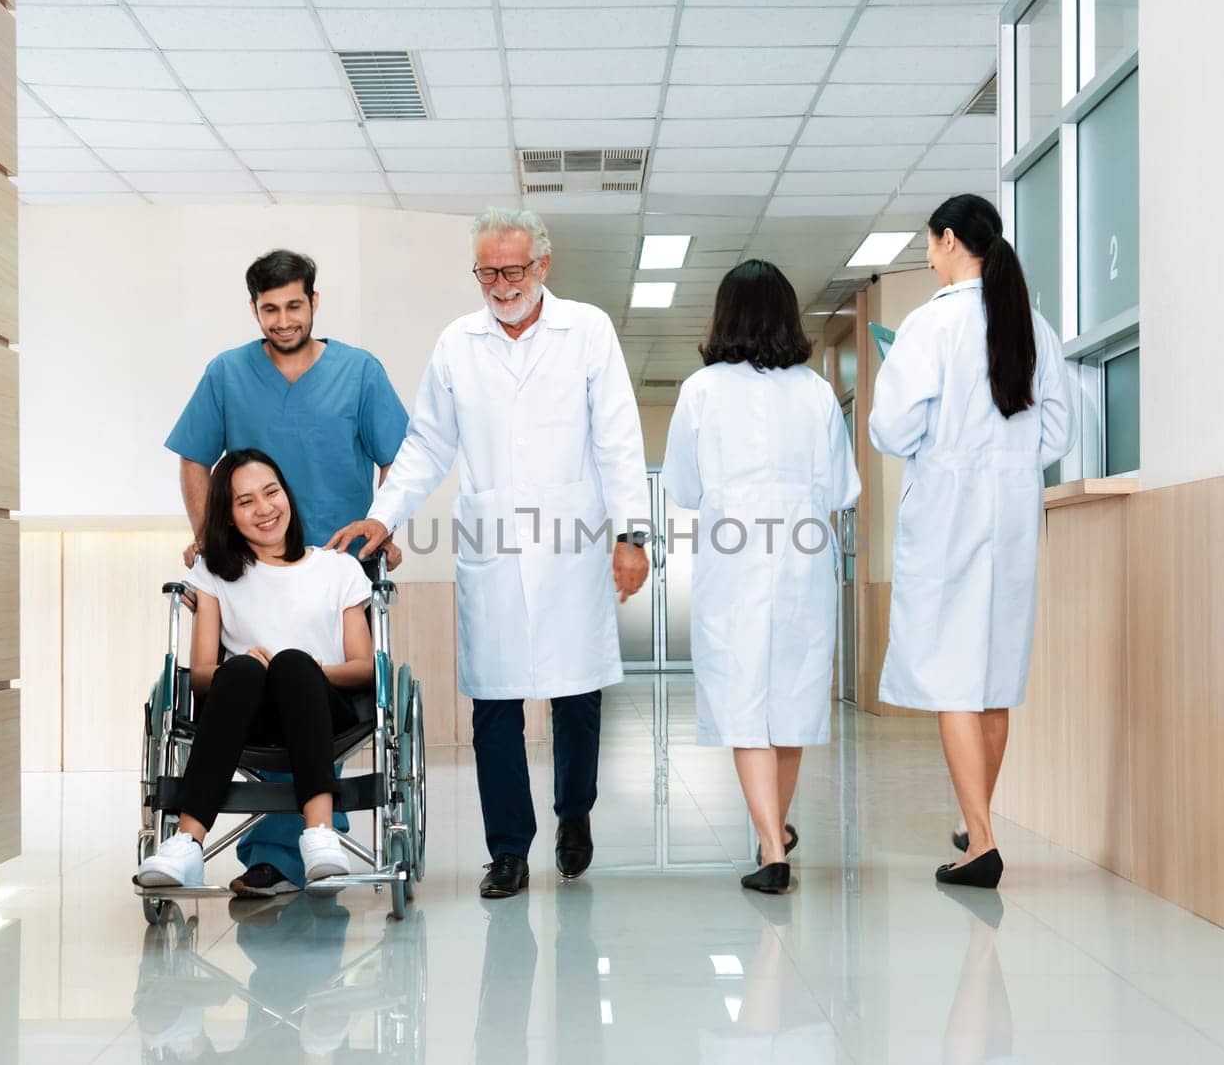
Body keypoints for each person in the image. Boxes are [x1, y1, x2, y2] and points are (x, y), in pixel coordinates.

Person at [355, 207, 649, 899]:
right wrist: (381, 515)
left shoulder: (588, 331)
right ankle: (509, 849)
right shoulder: (458, 343)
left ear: (543, 265)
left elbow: (617, 438)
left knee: (577, 696)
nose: (500, 283)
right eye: (487, 271)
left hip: (572, 543)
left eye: (513, 269)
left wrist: (633, 534)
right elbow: (427, 444)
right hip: (493, 544)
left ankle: (574, 813)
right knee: (495, 701)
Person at [165, 249, 408, 898]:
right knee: (250, 677)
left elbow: (400, 459)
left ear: (314, 302)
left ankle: (294, 849)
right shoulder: (228, 373)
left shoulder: (358, 373)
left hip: (334, 565)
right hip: (248, 573)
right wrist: (208, 541)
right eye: (269, 309)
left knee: (304, 674)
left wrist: (382, 525)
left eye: (294, 305)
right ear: (254, 310)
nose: (282, 319)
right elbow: (193, 458)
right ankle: (279, 850)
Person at [869, 194, 1075, 890]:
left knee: (955, 677)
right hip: (1013, 510)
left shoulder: (930, 325)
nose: (927, 257)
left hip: (950, 510)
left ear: (951, 239)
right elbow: (1057, 430)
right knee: (992, 682)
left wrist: (948, 447)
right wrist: (1007, 461)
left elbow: (893, 431)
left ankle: (981, 838)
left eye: (929, 244)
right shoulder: (1032, 323)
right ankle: (974, 819)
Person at [661, 260, 860, 895]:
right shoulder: (817, 392)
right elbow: (840, 487)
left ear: (725, 316)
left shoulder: (701, 390)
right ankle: (774, 831)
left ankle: (772, 846)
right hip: (804, 555)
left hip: (733, 556)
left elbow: (684, 489)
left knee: (744, 698)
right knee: (793, 699)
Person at [133, 449, 374, 892]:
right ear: (227, 516)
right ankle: (186, 845)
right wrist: (245, 666)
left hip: (323, 706)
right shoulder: (215, 574)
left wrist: (314, 668)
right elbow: (202, 674)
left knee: (293, 664)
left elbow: (364, 669)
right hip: (247, 713)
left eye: (271, 493)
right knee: (243, 669)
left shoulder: (338, 569)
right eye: (245, 502)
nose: (264, 509)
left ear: (287, 495)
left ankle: (319, 836)